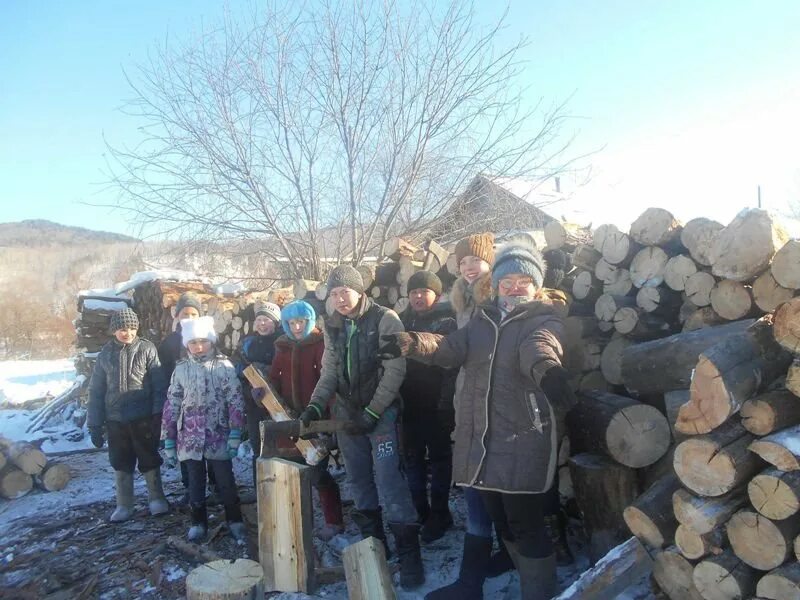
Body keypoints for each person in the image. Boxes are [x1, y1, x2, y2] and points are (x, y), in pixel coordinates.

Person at [380, 239, 576, 600]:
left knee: (524, 522)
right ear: (497, 284)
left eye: (523, 281)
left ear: (536, 286)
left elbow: (540, 346)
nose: (515, 288)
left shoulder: (543, 318)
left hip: (521, 434)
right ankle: (517, 578)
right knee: (500, 519)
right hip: (483, 434)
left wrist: (548, 371)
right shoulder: (483, 320)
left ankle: (540, 591)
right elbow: (449, 347)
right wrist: (411, 342)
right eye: (508, 281)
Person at [299, 265, 424, 588]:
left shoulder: (385, 319)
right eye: (335, 293)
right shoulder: (334, 324)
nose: (341, 299)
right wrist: (315, 404)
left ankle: (410, 555)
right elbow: (330, 370)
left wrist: (373, 411)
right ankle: (375, 549)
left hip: (381, 413)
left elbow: (395, 370)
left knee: (389, 480)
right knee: (357, 480)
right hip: (346, 414)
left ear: (360, 291)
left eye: (346, 292)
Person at [424, 232, 509, 600]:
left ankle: (475, 578)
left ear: (489, 262)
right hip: (469, 402)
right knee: (475, 485)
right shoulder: (463, 303)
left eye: (474, 260)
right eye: (461, 263)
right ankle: (478, 572)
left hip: (499, 406)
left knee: (492, 486)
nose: (468, 267)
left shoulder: (500, 298)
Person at [161, 316, 247, 542]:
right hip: (189, 437)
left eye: (203, 341)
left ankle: (235, 519)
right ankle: (198, 522)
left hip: (218, 434)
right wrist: (169, 438)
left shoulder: (223, 367)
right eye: (193, 342)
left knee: (225, 481)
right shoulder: (181, 369)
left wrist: (235, 432)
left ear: (212, 341)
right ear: (186, 344)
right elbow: (172, 404)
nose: (199, 347)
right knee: (195, 483)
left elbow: (236, 400)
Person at [268, 300, 344, 540]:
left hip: (315, 420)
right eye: (292, 323)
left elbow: (330, 383)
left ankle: (334, 520)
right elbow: (273, 380)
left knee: (318, 472)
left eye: (301, 322)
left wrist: (330, 419)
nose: (297, 327)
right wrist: (261, 393)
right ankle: (294, 519)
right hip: (288, 419)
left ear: (309, 321)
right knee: (289, 471)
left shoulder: (320, 346)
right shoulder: (282, 348)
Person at [88, 307, 169, 522]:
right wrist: (94, 424)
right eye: (123, 329)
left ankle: (156, 498)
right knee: (120, 460)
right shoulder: (105, 354)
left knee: (149, 456)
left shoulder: (147, 349)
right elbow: (96, 391)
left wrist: (158, 414)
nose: (128, 333)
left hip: (142, 416)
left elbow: (159, 385)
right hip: (115, 418)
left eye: (132, 328)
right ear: (114, 330)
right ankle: (124, 503)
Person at [398, 270, 457, 543]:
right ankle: (421, 511)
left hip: (436, 404)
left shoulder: (447, 321)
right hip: (409, 403)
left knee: (440, 460)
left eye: (424, 291)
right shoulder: (401, 321)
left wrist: (446, 404)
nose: (419, 296)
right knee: (412, 460)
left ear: (437, 294)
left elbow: (450, 367)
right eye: (414, 292)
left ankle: (440, 513)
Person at [157, 292, 215, 504]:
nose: (188, 318)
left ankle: (216, 484)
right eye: (185, 314)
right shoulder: (170, 343)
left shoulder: (208, 337)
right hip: (183, 404)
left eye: (193, 313)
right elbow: (163, 372)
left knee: (211, 443)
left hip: (209, 402)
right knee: (186, 447)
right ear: (177, 316)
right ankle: (190, 487)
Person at [233, 301, 282, 482]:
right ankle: (260, 490)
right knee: (258, 449)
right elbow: (239, 373)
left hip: (279, 405)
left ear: (276, 323)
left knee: (280, 447)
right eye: (259, 319)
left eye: (267, 320)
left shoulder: (282, 343)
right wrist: (249, 392)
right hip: (254, 406)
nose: (262, 323)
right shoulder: (247, 344)